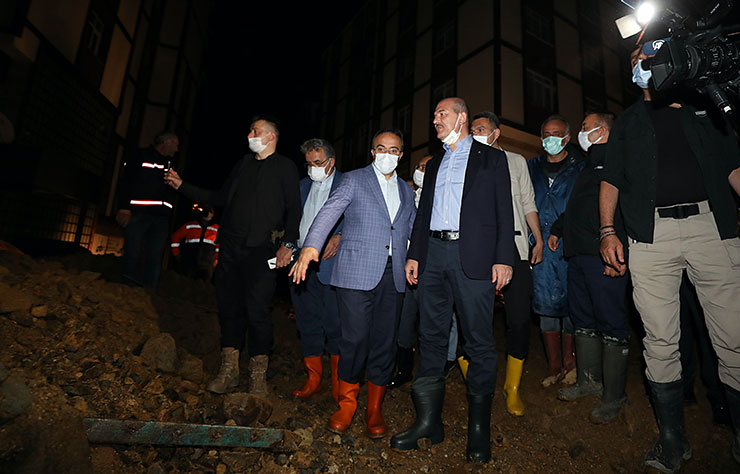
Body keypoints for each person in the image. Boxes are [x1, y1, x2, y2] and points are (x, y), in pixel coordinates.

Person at [600, 44, 740, 471]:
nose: (642, 65)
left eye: (649, 58)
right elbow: (612, 179)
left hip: (712, 229)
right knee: (660, 340)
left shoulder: (704, 109)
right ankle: (672, 440)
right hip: (650, 236)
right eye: (634, 61)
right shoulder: (627, 122)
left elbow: (733, 166)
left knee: (733, 336)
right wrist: (608, 231)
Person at [391, 97, 514, 463]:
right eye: (434, 114)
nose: (435, 119)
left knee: (478, 341)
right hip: (434, 254)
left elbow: (504, 211)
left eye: (441, 113)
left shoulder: (491, 159)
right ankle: (428, 422)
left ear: (461, 118)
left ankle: (478, 431)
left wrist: (503, 258)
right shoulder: (435, 163)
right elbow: (423, 212)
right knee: (430, 336)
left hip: (473, 257)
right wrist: (415, 253)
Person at [290, 128, 416, 439]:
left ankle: (374, 408)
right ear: (373, 152)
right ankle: (347, 404)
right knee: (355, 338)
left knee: (385, 342)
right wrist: (311, 247)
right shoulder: (354, 180)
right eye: (381, 148)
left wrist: (418, 259)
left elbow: (412, 228)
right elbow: (329, 211)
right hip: (356, 273)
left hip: (394, 275)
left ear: (401, 155)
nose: (387, 155)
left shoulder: (405, 191)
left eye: (394, 150)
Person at [165, 116, 301, 395]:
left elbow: (295, 209)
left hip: (262, 251)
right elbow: (219, 197)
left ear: (271, 136)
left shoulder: (285, 167)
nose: (250, 134)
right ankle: (229, 370)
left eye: (255, 131)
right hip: (230, 249)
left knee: (257, 310)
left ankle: (258, 375)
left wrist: (288, 244)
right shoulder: (243, 164)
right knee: (229, 308)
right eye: (250, 130)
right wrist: (182, 186)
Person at [548, 112, 631, 424]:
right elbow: (580, 205)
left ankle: (614, 395)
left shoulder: (617, 158)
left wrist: (619, 254)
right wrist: (558, 229)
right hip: (578, 255)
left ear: (603, 130)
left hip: (604, 255)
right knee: (582, 319)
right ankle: (589, 382)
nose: (581, 133)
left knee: (611, 321)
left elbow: (624, 207)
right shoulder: (587, 165)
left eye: (584, 127)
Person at [469, 111, 543, 416]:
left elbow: (527, 202)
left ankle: (512, 387)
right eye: (472, 129)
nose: (475, 133)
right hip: (477, 247)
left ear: (496, 132)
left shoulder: (516, 162)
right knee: (474, 315)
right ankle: (475, 378)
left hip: (514, 244)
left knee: (519, 317)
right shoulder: (466, 163)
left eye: (481, 129)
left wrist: (538, 239)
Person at [388, 154, 460, 390]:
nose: (422, 171)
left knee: (442, 319)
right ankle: (404, 368)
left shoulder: (444, 198)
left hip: (436, 268)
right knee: (405, 318)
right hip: (408, 268)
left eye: (428, 167)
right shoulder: (407, 195)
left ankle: (444, 363)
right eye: (419, 166)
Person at [527, 115, 585, 387]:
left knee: (572, 304)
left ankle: (570, 362)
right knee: (545, 305)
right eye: (546, 134)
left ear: (567, 138)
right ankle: (553, 365)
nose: (551, 138)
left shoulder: (580, 168)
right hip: (538, 243)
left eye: (557, 133)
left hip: (570, 242)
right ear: (541, 139)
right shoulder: (531, 167)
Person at [290, 138, 343, 401]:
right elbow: (291, 221)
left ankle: (339, 383)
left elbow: (363, 218)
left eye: (318, 163)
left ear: (331, 161)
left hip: (333, 265)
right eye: (309, 164)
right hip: (301, 264)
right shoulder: (301, 187)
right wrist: (288, 245)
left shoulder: (348, 184)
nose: (313, 169)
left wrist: (341, 236)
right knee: (307, 321)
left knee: (336, 323)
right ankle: (313, 379)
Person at [117, 131, 179, 288]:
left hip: (161, 217)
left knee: (155, 256)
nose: (177, 149)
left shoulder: (171, 164)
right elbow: (126, 181)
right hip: (139, 213)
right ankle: (127, 288)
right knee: (133, 252)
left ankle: (149, 292)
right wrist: (124, 208)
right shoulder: (141, 156)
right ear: (167, 142)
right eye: (175, 145)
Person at [170, 203, 219, 281]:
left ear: (213, 214)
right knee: (187, 283)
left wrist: (216, 260)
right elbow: (175, 237)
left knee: (203, 284)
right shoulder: (190, 225)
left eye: (210, 210)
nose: (207, 213)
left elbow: (219, 246)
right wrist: (176, 254)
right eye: (205, 210)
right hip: (190, 262)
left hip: (207, 264)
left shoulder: (217, 229)